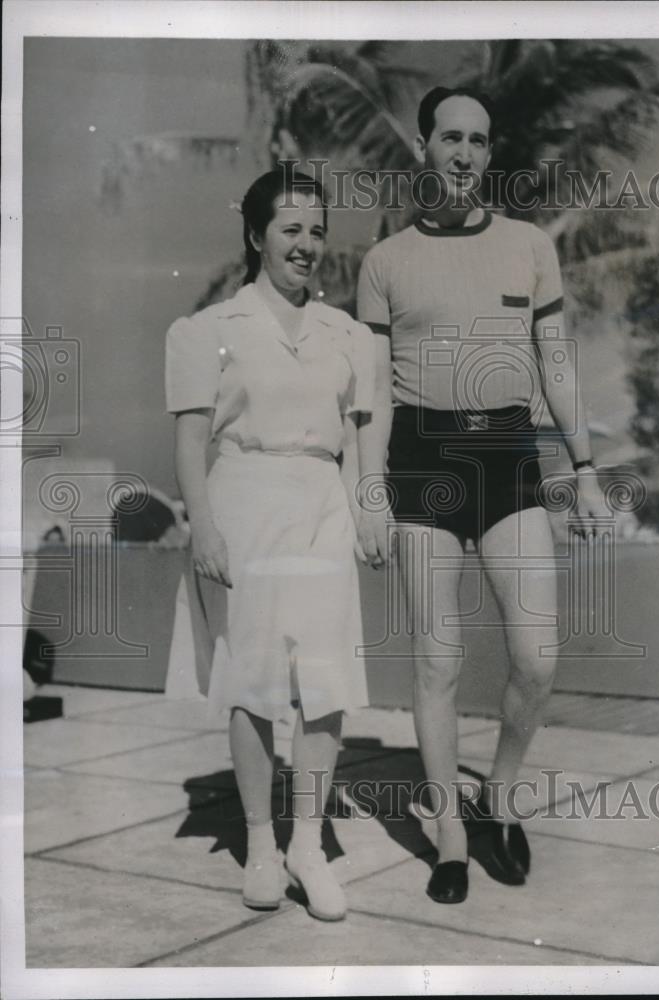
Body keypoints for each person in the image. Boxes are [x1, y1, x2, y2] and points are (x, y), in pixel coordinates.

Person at [356, 86, 608, 903]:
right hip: (422, 458)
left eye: (478, 140)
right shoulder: (385, 261)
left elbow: (557, 363)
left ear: (488, 153)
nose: (464, 153)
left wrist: (586, 469)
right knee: (437, 660)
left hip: (506, 451)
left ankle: (497, 797)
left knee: (537, 657)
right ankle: (451, 834)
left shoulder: (530, 245)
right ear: (424, 149)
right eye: (449, 138)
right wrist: (368, 491)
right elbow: (372, 395)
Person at [165, 168, 374, 921]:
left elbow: (357, 439)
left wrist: (367, 513)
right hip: (243, 502)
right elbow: (191, 441)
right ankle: (260, 844)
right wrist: (204, 528)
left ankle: (307, 846)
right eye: (291, 229)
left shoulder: (346, 334)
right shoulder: (208, 332)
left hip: (322, 508)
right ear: (256, 236)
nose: (307, 245)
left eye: (317, 231)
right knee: (251, 682)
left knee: (325, 688)